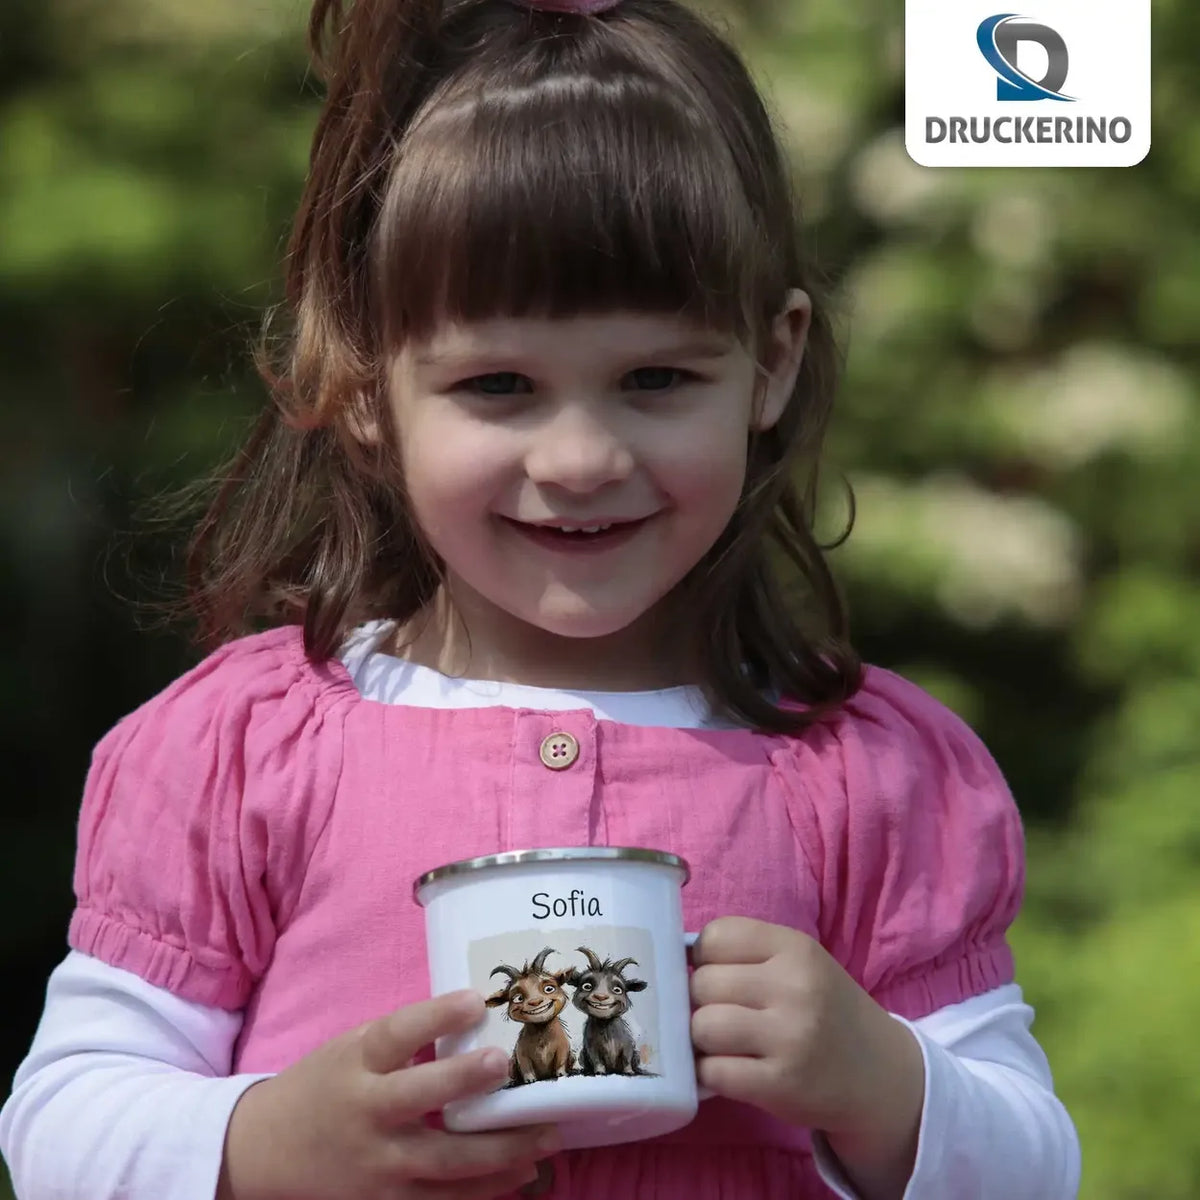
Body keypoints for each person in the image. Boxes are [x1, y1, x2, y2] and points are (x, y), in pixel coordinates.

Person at [0, 0, 1082, 1196]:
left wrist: (883, 1083)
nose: (580, 458)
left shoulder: (870, 780)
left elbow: (1033, 1163)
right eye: (500, 384)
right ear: (363, 378)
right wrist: (269, 1143)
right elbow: (60, 1122)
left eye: (657, 378)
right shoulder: (244, 752)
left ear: (771, 364)